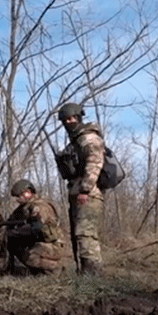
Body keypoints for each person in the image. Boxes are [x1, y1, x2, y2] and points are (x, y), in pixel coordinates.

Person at [55, 102, 105, 275]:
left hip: (88, 194)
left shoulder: (88, 137)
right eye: (65, 120)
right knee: (79, 235)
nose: (69, 122)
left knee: (86, 234)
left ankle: (92, 276)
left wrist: (85, 189)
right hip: (77, 193)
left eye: (71, 118)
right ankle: (84, 273)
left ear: (79, 117)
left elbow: (95, 162)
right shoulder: (76, 140)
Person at [4, 179, 64, 276]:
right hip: (38, 243)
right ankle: (37, 271)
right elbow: (10, 221)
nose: (17, 199)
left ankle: (56, 268)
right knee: (15, 245)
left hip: (53, 245)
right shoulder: (22, 208)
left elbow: (36, 227)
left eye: (19, 196)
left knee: (30, 256)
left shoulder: (39, 206)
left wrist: (16, 232)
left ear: (27, 192)